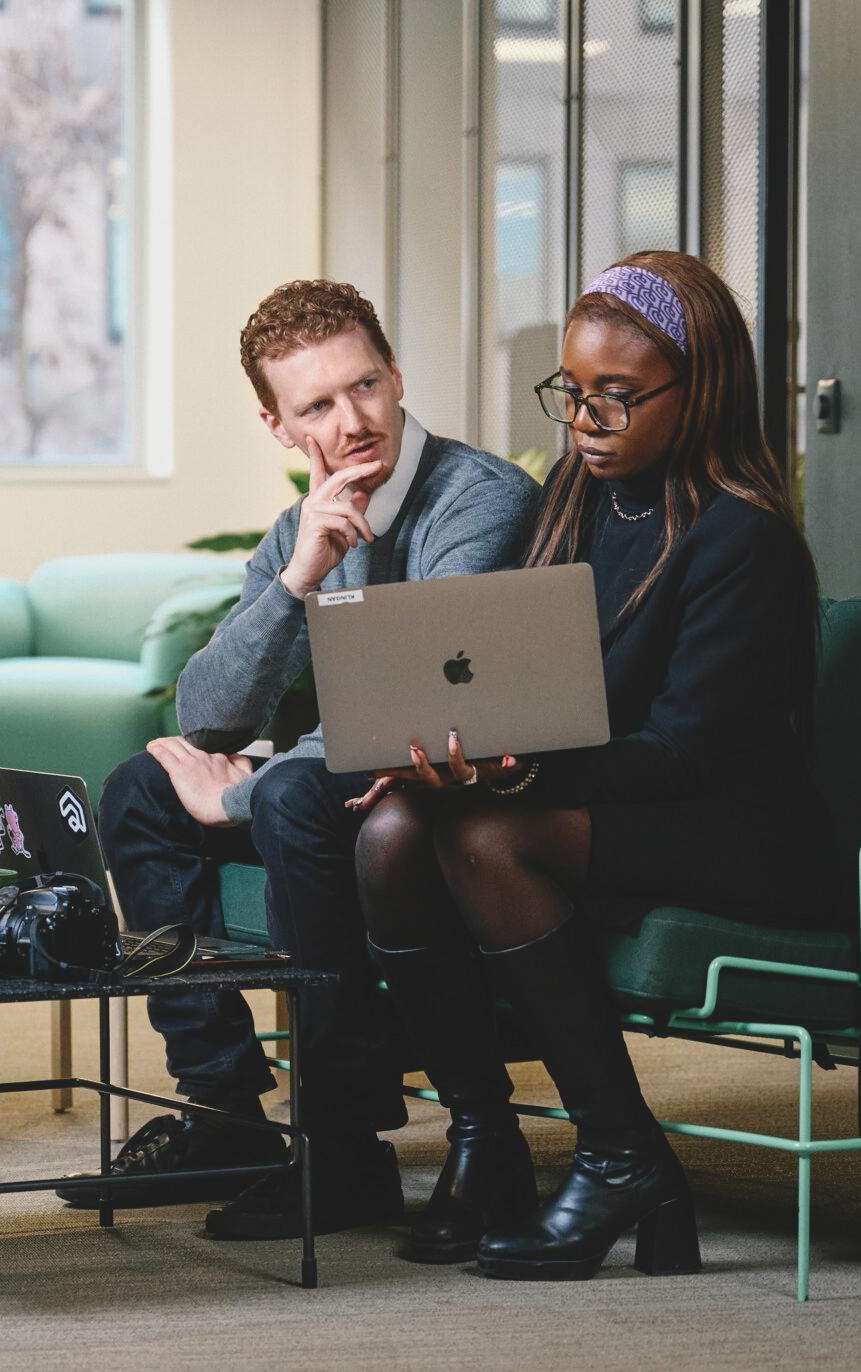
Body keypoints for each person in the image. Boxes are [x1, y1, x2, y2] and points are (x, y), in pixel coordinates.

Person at [349, 251, 829, 1280]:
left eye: (617, 398)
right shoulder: (572, 495)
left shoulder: (743, 540)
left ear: (695, 392)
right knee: (391, 829)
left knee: (482, 837)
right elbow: (518, 683)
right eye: (572, 392)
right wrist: (448, 744)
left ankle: (620, 1154)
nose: (585, 423)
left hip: (734, 828)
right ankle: (486, 1139)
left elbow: (683, 753)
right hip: (602, 797)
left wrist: (511, 779)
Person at [70, 280, 540, 1243]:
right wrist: (296, 580)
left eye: (365, 386)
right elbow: (203, 715)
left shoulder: (479, 501)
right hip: (347, 777)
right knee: (139, 792)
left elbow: (421, 696)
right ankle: (225, 1112)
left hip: (451, 784)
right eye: (317, 405)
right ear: (278, 425)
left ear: (397, 374)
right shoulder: (303, 527)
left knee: (280, 793)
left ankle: (342, 1146)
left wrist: (233, 802)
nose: (353, 419)